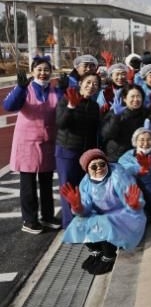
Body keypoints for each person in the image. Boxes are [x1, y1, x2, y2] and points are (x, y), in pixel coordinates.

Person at [61, 149, 146, 275]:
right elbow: (86, 207)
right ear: (87, 170)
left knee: (104, 222)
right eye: (94, 167)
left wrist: (134, 205)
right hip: (104, 217)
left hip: (125, 216)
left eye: (102, 164)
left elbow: (132, 195)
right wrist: (78, 207)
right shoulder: (86, 182)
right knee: (79, 222)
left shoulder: (118, 175)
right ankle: (97, 251)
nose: (99, 168)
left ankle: (109, 256)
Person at [3, 57, 63, 234]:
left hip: (48, 141)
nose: (43, 73)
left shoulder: (54, 91)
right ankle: (29, 220)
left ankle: (48, 216)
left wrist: (65, 90)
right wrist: (19, 88)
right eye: (39, 69)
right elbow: (9, 106)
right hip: (26, 142)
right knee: (28, 184)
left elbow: (64, 110)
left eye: (46, 70)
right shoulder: (25, 89)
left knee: (46, 182)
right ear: (33, 71)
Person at [55, 72, 101, 228]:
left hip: (85, 153)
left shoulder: (94, 106)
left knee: (83, 187)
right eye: (88, 82)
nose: (91, 86)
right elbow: (61, 123)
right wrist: (71, 107)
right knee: (68, 187)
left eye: (95, 84)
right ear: (80, 83)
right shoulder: (66, 99)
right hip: (67, 150)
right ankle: (69, 224)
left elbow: (94, 130)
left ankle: (82, 218)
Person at [101, 85, 151, 162]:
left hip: (136, 155)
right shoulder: (114, 113)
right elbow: (107, 134)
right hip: (117, 157)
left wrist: (149, 118)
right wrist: (116, 117)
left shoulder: (144, 112)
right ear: (125, 99)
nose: (136, 99)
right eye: (132, 97)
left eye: (138, 96)